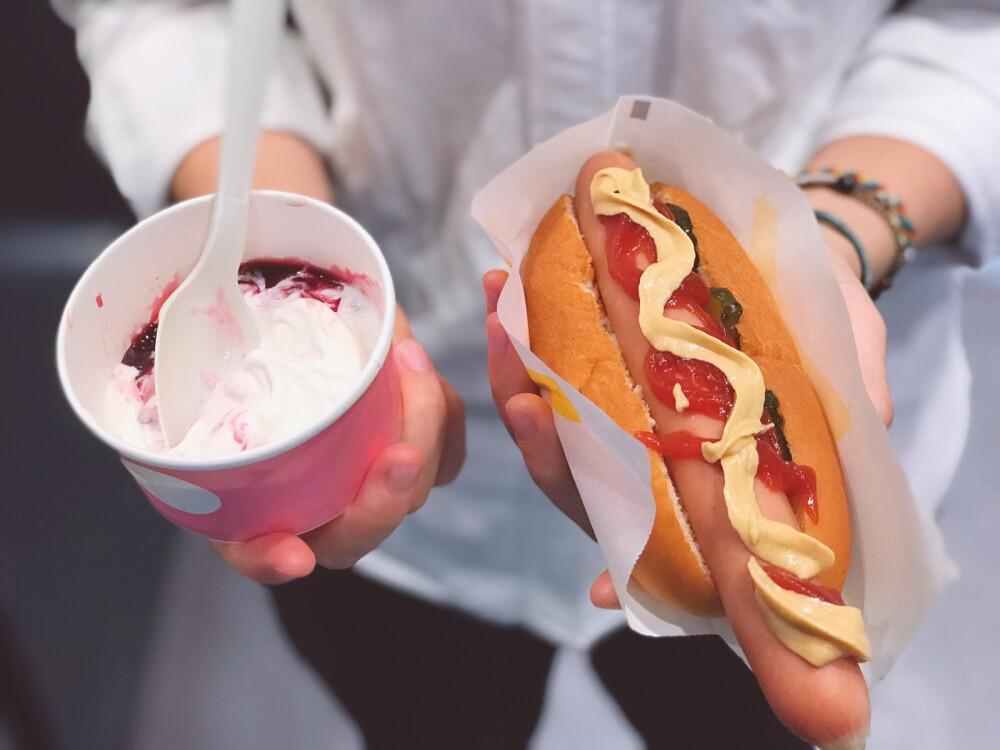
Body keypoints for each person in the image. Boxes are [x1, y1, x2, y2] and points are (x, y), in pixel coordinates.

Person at [53, 0, 1000, 748]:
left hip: (858, 399)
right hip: (391, 476)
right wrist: (287, 252)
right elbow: (167, 12)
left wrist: (833, 231)